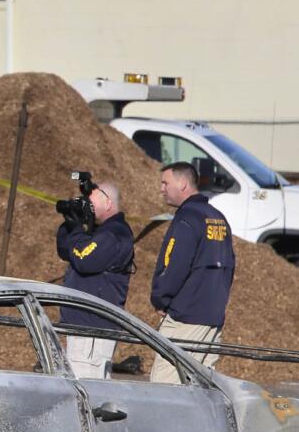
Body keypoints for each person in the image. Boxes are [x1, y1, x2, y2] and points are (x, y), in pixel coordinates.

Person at [149, 161, 235, 383]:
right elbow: (229, 266)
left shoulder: (188, 218)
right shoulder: (218, 218)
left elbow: (173, 264)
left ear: (183, 183)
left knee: (165, 388)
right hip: (212, 318)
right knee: (200, 390)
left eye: (165, 182)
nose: (161, 188)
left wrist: (161, 298)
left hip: (185, 319)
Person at [56, 181, 135, 379]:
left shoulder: (115, 233)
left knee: (86, 389)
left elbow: (84, 259)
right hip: (84, 327)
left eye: (90, 204)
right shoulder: (99, 232)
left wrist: (76, 230)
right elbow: (66, 250)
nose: (86, 208)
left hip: (92, 331)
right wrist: (70, 222)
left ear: (108, 204)